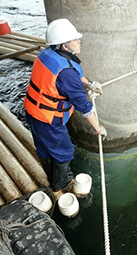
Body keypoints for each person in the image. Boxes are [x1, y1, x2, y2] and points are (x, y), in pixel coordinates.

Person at [24, 18, 107, 192]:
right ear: (64, 45)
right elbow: (84, 107)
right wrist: (98, 128)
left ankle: (50, 174)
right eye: (75, 40)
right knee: (65, 151)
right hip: (48, 120)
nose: (79, 42)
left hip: (33, 112)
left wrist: (88, 83)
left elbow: (71, 73)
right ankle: (60, 184)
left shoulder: (46, 54)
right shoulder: (66, 74)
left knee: (44, 147)